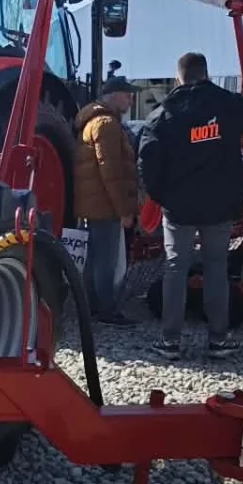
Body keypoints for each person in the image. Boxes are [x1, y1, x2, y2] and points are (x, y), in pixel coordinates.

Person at [138, 53, 243, 359]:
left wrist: (163, 197)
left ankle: (170, 341)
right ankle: (218, 340)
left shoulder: (163, 115)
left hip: (178, 209)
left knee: (175, 268)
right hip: (220, 205)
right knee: (216, 268)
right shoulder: (226, 104)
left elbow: (147, 163)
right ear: (206, 74)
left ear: (178, 77)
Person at [73, 76, 138, 323]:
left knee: (93, 260)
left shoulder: (93, 121)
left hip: (93, 204)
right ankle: (107, 310)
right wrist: (124, 210)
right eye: (127, 94)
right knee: (105, 261)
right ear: (113, 96)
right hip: (105, 206)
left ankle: (90, 306)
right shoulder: (107, 124)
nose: (131, 99)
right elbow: (111, 172)